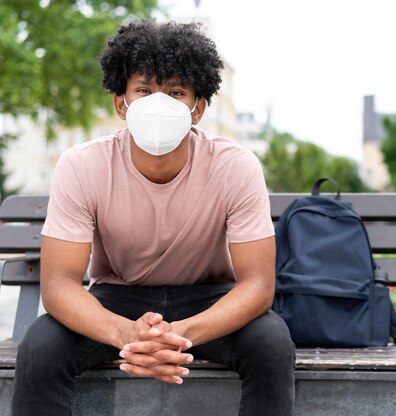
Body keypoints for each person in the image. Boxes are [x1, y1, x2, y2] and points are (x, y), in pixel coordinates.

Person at [12, 19, 295, 416]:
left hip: (209, 296)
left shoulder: (236, 166)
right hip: (118, 297)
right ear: (120, 102)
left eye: (175, 92)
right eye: (144, 90)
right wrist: (127, 333)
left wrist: (177, 336)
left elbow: (258, 286)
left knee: (272, 343)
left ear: (197, 108)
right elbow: (59, 284)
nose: (158, 104)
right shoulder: (82, 165)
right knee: (41, 347)